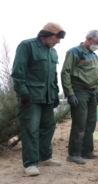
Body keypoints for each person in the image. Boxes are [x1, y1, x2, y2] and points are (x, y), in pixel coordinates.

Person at [11, 22, 65, 176]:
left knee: (48, 127)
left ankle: (45, 157)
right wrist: (23, 92)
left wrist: (55, 94)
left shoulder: (53, 52)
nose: (58, 41)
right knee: (30, 130)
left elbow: (53, 75)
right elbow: (17, 72)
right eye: (57, 37)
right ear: (46, 34)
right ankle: (30, 164)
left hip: (47, 97)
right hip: (31, 98)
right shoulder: (27, 46)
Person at [61, 30, 98, 164]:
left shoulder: (94, 55)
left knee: (90, 122)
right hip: (79, 91)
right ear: (89, 39)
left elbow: (95, 75)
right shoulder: (74, 52)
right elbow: (65, 72)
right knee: (80, 123)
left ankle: (87, 151)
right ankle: (73, 154)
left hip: (91, 91)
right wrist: (70, 94)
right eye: (97, 43)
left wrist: (96, 91)